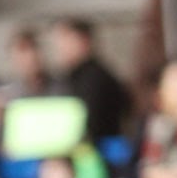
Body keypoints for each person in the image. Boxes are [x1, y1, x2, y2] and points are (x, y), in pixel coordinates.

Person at [48, 18, 133, 157]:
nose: (60, 48)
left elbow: (89, 125)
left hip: (100, 156)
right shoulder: (69, 78)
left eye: (65, 41)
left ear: (83, 40)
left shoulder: (95, 79)